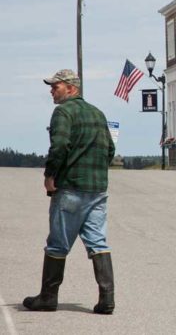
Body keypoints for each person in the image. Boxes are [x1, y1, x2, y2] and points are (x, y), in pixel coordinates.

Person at [23, 69, 116, 314]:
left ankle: (48, 296)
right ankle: (107, 299)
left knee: (57, 243)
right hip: (97, 189)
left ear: (71, 88)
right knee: (98, 242)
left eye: (56, 86)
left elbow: (60, 145)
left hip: (71, 188)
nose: (51, 90)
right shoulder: (98, 113)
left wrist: (50, 175)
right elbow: (110, 149)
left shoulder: (63, 112)